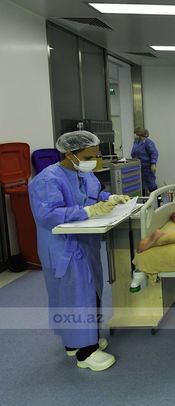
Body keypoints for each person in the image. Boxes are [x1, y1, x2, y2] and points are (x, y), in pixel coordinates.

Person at [29, 131, 130, 372]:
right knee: (75, 296)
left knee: (88, 292)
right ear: (69, 154)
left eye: (95, 156)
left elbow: (93, 194)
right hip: (63, 247)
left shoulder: (82, 173)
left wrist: (110, 198)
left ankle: (76, 343)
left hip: (85, 242)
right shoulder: (47, 179)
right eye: (88, 157)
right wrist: (88, 211)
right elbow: (47, 214)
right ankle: (86, 353)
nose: (93, 161)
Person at [131, 127, 159, 195]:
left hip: (147, 167)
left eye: (135, 134)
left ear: (140, 134)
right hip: (139, 167)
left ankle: (158, 199)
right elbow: (133, 153)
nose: (134, 135)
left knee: (151, 184)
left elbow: (154, 153)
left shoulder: (148, 142)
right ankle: (144, 200)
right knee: (141, 185)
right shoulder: (136, 142)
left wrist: (153, 163)